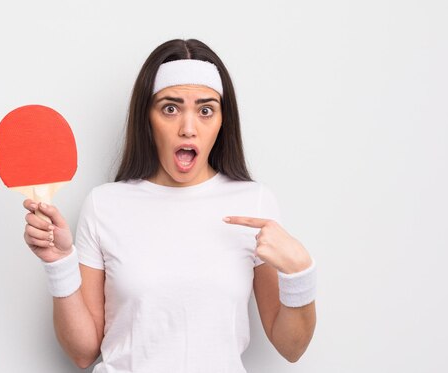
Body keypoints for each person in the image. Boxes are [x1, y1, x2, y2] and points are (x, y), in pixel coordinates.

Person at [22, 39, 317, 372]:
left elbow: (291, 347)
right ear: (147, 118)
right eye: (170, 108)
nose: (188, 129)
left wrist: (300, 272)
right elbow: (83, 352)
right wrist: (60, 263)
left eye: (206, 110)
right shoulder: (105, 204)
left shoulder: (254, 204)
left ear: (222, 121)